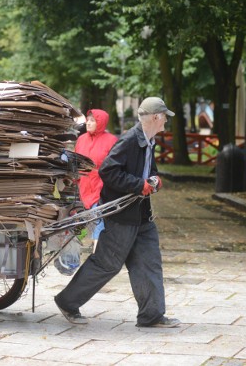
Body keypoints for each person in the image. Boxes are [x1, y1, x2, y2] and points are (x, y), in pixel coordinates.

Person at [54, 96, 181, 328]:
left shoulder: (149, 140)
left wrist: (154, 179)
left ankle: (151, 315)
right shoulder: (130, 140)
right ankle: (67, 301)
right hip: (121, 215)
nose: (166, 122)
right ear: (155, 117)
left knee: (148, 261)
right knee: (106, 264)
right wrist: (138, 185)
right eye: (164, 117)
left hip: (141, 215)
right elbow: (109, 172)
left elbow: (147, 169)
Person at [75, 109, 117, 253]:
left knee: (99, 219)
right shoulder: (81, 139)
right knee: (87, 222)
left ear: (100, 123)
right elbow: (76, 161)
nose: (88, 122)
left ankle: (97, 253)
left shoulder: (111, 140)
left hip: (101, 186)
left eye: (93, 120)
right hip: (84, 186)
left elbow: (114, 166)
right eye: (88, 119)